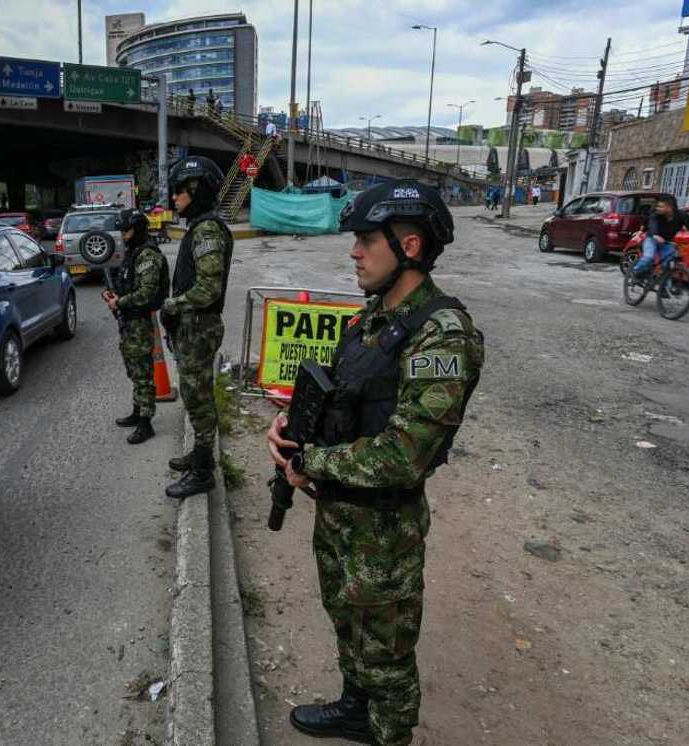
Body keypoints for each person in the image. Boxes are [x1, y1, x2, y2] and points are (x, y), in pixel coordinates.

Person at [266, 180, 485, 746]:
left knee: (386, 654)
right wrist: (292, 433)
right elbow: (342, 401)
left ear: (409, 246)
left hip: (383, 531)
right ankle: (354, 708)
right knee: (346, 622)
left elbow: (405, 455)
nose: (354, 252)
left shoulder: (441, 335)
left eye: (366, 240)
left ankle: (387, 731)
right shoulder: (369, 321)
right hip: (339, 513)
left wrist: (314, 459)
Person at [161, 155, 233, 499]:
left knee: (199, 398)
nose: (174, 199)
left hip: (198, 328)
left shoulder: (207, 229)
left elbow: (209, 288)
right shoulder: (199, 226)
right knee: (194, 394)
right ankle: (200, 456)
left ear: (198, 190)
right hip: (192, 327)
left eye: (180, 192)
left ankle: (204, 472)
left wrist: (173, 304)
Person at [103, 208, 170, 445]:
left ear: (138, 229)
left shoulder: (148, 256)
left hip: (140, 321)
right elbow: (128, 284)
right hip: (129, 321)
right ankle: (136, 410)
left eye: (127, 230)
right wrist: (114, 295)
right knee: (133, 369)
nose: (123, 235)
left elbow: (146, 293)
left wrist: (119, 301)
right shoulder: (134, 253)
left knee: (143, 373)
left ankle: (146, 422)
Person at [632, 196, 689, 279]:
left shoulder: (682, 215)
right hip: (651, 239)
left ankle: (664, 287)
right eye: (658, 206)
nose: (658, 208)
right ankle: (635, 271)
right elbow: (652, 224)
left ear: (669, 207)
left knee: (669, 262)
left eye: (661, 206)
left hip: (666, 242)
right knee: (649, 257)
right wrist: (655, 235)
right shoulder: (656, 214)